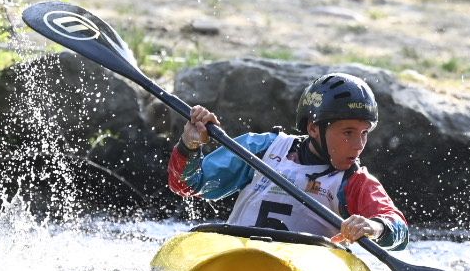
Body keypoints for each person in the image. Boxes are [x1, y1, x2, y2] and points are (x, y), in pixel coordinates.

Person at [168, 71, 409, 249]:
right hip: (236, 258)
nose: (359, 145)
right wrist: (189, 146)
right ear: (314, 128)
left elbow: (398, 228)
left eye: (364, 133)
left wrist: (375, 227)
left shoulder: (355, 182)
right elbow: (187, 186)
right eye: (348, 133)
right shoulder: (260, 149)